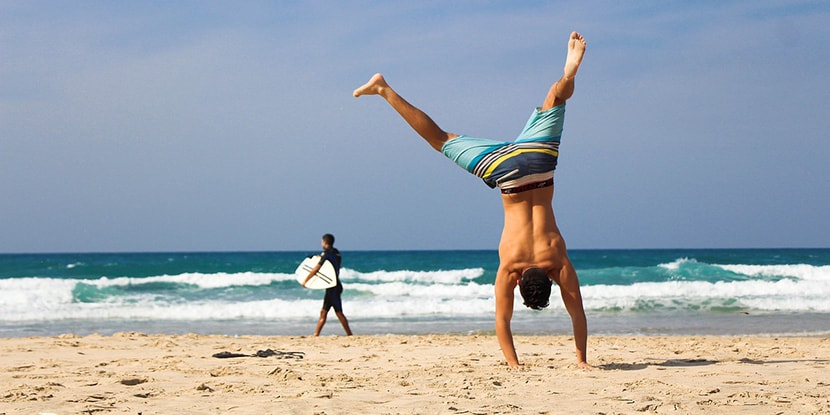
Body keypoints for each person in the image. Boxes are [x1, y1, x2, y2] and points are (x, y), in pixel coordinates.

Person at [353, 32, 592, 368]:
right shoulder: (512, 267)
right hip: (505, 174)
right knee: (440, 139)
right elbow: (503, 321)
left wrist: (580, 359)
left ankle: (567, 76)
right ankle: (383, 89)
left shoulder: (557, 261)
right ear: (520, 282)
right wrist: (517, 364)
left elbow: (577, 313)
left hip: (539, 163)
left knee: (556, 97)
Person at [301, 233, 353, 336]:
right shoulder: (336, 253)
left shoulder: (327, 254)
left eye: (322, 241)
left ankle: (349, 334)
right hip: (335, 285)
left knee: (338, 312)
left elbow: (317, 268)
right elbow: (329, 262)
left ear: (324, 242)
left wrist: (306, 280)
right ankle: (316, 334)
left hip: (332, 288)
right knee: (324, 312)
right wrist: (318, 256)